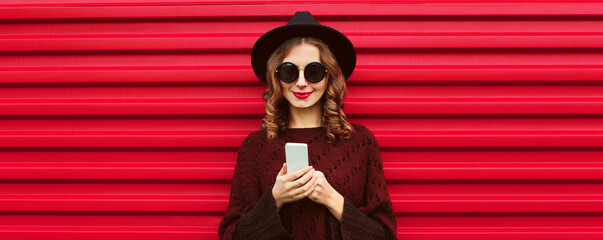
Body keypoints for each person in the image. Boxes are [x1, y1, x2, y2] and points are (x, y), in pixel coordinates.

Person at [218, 11, 397, 240]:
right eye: (289, 72)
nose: (301, 83)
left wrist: (333, 200)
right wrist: (276, 200)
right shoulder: (255, 147)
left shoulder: (360, 142)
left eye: (313, 72)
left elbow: (385, 235)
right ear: (276, 78)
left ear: (329, 76)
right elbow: (231, 235)